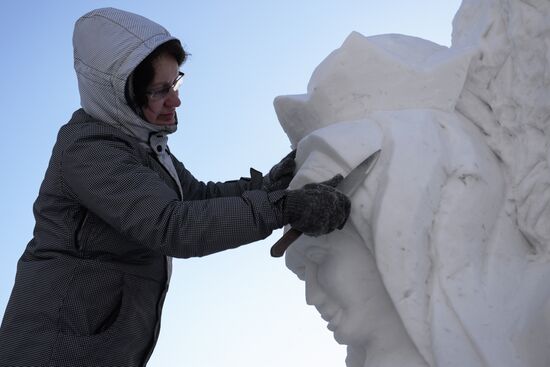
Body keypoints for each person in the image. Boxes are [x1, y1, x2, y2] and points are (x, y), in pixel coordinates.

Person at [0, 7, 350, 367]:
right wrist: (282, 208)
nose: (175, 99)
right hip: (53, 348)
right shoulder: (90, 150)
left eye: (176, 82)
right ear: (117, 93)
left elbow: (195, 197)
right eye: (159, 90)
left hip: (104, 343)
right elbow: (172, 225)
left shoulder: (142, 145)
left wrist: (266, 186)